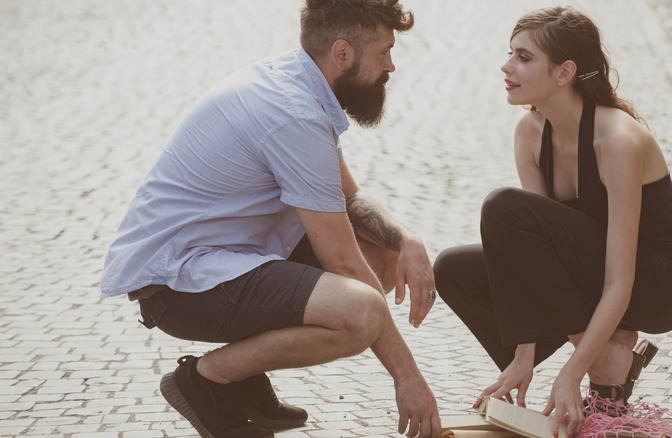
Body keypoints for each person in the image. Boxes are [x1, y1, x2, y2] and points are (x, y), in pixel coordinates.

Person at [100, 1, 442, 437]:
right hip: (177, 282)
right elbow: (343, 264)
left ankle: (241, 378)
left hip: (228, 255)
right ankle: (209, 380)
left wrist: (405, 239)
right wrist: (407, 377)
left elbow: (349, 198)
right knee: (360, 312)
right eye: (383, 52)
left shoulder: (297, 81)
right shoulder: (293, 113)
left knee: (384, 256)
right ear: (343, 54)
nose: (391, 65)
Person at [433, 6, 672, 438]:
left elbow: (620, 279)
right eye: (510, 53)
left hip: (658, 279)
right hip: (592, 273)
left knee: (503, 206)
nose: (507, 66)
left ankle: (604, 363)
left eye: (523, 57)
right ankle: (610, 359)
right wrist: (522, 357)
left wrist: (571, 374)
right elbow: (528, 261)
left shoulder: (617, 139)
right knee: (452, 269)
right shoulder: (530, 133)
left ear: (564, 72)